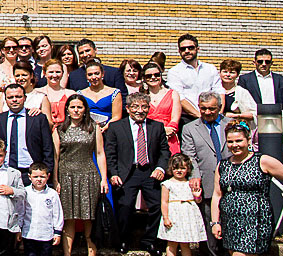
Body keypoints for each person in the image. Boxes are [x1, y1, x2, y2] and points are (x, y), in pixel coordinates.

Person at [212, 122, 283, 256]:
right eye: (230, 141)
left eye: (239, 140)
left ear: (248, 140)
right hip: (230, 221)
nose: (235, 145)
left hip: (255, 221)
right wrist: (215, 222)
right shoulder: (223, 165)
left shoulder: (262, 161)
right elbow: (217, 194)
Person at [104, 92, 170, 254]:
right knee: (125, 207)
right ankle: (123, 240)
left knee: (157, 206)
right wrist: (113, 173)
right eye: (135, 107)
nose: (140, 110)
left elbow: (164, 151)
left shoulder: (157, 126)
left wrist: (160, 168)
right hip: (127, 172)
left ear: (149, 108)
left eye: (144, 107)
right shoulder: (116, 127)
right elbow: (110, 153)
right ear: (128, 108)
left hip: (150, 171)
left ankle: (149, 241)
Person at [52, 95, 106, 256]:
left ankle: (91, 249)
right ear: (67, 109)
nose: (76, 110)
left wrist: (104, 178)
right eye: (73, 107)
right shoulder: (59, 129)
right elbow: (55, 157)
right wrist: (55, 180)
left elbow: (100, 153)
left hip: (88, 174)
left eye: (79, 107)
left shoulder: (93, 127)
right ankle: (67, 253)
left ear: (85, 110)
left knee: (88, 215)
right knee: (68, 216)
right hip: (66, 174)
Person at [180, 92, 230, 256]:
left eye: (211, 109)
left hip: (231, 183)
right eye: (203, 108)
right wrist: (195, 174)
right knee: (210, 227)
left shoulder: (231, 124)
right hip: (207, 183)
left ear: (220, 107)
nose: (207, 112)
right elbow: (189, 155)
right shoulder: (189, 128)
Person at [0, 84, 54, 183]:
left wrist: (46, 170)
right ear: (5, 100)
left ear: (25, 98)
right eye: (10, 97)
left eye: (18, 97)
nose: (14, 100)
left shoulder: (37, 118)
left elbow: (47, 147)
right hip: (4, 170)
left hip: (31, 171)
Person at [166, 34, 221, 124]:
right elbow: (180, 98)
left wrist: (218, 114)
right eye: (183, 49)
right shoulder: (174, 72)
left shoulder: (210, 68)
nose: (187, 51)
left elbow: (219, 92)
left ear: (197, 49)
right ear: (179, 51)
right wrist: (200, 116)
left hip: (213, 116)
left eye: (190, 48)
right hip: (188, 118)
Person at [158, 154, 206, 256]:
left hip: (187, 217)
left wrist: (197, 196)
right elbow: (164, 202)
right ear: (171, 169)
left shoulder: (190, 183)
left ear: (188, 169)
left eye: (182, 168)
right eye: (176, 168)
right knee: (172, 243)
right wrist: (166, 218)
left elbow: (197, 201)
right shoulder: (167, 184)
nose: (179, 171)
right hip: (174, 216)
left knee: (185, 244)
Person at [19, 163, 63, 256]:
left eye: (42, 176)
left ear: (48, 176)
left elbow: (57, 214)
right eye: (35, 176)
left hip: (46, 235)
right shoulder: (25, 192)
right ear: (29, 177)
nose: (39, 179)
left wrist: (57, 232)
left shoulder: (52, 194)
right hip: (29, 234)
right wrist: (18, 229)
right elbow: (20, 212)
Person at [236, 49, 283, 114]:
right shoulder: (245, 79)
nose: (264, 64)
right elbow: (241, 100)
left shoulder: (281, 80)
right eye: (260, 61)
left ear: (271, 63)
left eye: (267, 62)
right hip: (254, 118)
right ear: (254, 62)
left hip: (277, 118)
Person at [144, 61, 182, 154]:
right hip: (148, 137)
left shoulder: (173, 94)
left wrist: (168, 130)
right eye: (149, 76)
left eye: (156, 75)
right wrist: (160, 131)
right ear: (144, 79)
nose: (153, 77)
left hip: (169, 137)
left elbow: (175, 119)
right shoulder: (141, 96)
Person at [78, 62, 121, 131]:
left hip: (109, 130)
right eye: (90, 74)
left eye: (97, 73)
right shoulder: (80, 94)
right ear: (86, 76)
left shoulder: (114, 93)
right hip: (86, 130)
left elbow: (117, 116)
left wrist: (104, 128)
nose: (94, 77)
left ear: (102, 74)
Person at [37, 61, 71, 127]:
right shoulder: (37, 93)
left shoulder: (70, 94)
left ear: (62, 73)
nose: (54, 75)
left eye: (58, 72)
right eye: (51, 72)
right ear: (44, 73)